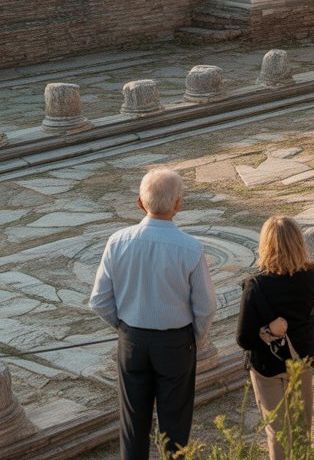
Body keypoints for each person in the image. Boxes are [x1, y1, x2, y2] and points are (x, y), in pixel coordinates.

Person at [90, 167, 216, 460]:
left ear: (139, 202)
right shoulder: (190, 248)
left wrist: (124, 327)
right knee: (175, 425)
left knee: (133, 424)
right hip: (175, 342)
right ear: (178, 204)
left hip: (132, 339)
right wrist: (194, 338)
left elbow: (99, 300)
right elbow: (206, 307)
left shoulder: (117, 241)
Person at [236, 217, 314, 460]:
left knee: (277, 432)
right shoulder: (312, 275)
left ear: (265, 245)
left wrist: (266, 331)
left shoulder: (255, 285)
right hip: (301, 358)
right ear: (298, 242)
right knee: (302, 428)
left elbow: (243, 338)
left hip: (268, 366)